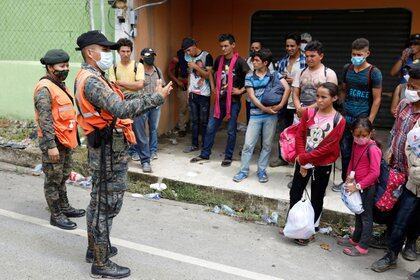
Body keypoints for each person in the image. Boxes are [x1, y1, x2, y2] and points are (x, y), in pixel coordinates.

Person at [74, 30, 172, 278]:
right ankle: (101, 263)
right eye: (104, 50)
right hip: (108, 151)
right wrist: (156, 100)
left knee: (99, 201)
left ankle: (95, 249)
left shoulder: (97, 76)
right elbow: (121, 107)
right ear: (90, 52)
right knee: (107, 204)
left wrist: (152, 95)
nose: (109, 54)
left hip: (107, 148)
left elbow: (120, 95)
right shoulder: (93, 80)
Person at [371, 65, 420, 273]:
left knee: (411, 214)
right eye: (409, 85)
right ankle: (391, 251)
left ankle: (410, 243)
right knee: (394, 210)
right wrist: (389, 151)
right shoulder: (404, 105)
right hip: (397, 168)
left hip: (416, 177)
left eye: (415, 87)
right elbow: (395, 131)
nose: (410, 90)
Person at [34, 49, 85, 230]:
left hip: (64, 140)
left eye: (67, 65)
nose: (66, 69)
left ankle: (64, 207)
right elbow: (44, 119)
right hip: (53, 142)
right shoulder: (45, 89)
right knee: (53, 179)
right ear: (50, 67)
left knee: (63, 176)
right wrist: (51, 146)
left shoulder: (59, 85)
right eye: (62, 66)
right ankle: (56, 214)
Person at [288, 82, 345, 246]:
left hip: (322, 163)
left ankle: (311, 229)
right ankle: (293, 225)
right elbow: (300, 135)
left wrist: (307, 159)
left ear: (334, 98)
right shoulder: (308, 112)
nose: (319, 100)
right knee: (295, 192)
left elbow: (329, 147)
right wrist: (301, 157)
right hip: (303, 160)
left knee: (317, 195)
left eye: (323, 97)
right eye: (317, 96)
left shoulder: (339, 120)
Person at [191, 34, 250, 167]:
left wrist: (241, 90)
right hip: (219, 101)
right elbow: (212, 73)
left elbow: (251, 78)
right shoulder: (219, 60)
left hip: (233, 102)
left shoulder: (240, 62)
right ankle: (205, 154)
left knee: (231, 130)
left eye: (226, 46)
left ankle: (228, 157)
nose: (223, 49)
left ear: (233, 45)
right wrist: (213, 87)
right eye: (221, 46)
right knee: (211, 127)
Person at [332, 38, 382, 192]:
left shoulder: (374, 72)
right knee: (346, 152)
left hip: (362, 121)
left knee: (362, 153)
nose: (356, 57)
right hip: (347, 118)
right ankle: (345, 181)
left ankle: (363, 182)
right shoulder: (347, 69)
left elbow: (377, 98)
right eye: (354, 54)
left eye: (360, 54)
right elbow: (344, 90)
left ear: (367, 53)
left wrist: (369, 122)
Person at [233, 48, 290, 183]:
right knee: (248, 145)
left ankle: (262, 170)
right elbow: (252, 96)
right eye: (253, 60)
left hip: (271, 116)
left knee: (266, 145)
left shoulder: (275, 74)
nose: (254, 62)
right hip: (255, 115)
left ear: (265, 62)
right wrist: (265, 109)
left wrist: (281, 105)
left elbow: (287, 88)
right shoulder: (249, 76)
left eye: (257, 60)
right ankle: (243, 170)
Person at [337, 118, 382, 256]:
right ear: (352, 133)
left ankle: (363, 246)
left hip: (367, 188)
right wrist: (349, 177)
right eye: (357, 135)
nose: (360, 138)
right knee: (358, 213)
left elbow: (375, 173)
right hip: (357, 184)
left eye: (364, 136)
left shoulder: (373, 149)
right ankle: (355, 239)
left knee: (366, 217)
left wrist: (357, 186)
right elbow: (352, 160)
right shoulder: (356, 145)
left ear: (371, 133)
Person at [271, 32, 307, 167]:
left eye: (292, 46)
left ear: (298, 46)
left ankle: (298, 159)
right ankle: (283, 157)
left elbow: (308, 82)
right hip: (284, 100)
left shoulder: (305, 60)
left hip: (299, 101)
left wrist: (294, 81)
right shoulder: (282, 62)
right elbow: (277, 80)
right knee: (283, 130)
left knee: (299, 131)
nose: (289, 48)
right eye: (287, 46)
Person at [108, 38, 145, 161]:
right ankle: (128, 154)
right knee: (122, 130)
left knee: (139, 131)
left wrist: (121, 83)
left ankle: (145, 160)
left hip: (136, 101)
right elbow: (113, 87)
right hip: (120, 101)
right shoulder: (113, 67)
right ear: (118, 52)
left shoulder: (137, 66)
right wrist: (130, 84)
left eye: (128, 51)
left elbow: (140, 85)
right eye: (123, 51)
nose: (126, 54)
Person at [132, 48, 165, 173]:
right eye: (148, 55)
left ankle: (153, 151)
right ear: (141, 57)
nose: (151, 57)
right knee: (139, 130)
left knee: (153, 128)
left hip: (155, 105)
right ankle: (135, 151)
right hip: (142, 105)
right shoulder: (137, 71)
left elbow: (161, 85)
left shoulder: (157, 70)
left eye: (152, 55)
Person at [181, 37, 214, 153]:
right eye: (186, 51)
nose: (188, 53)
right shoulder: (188, 57)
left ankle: (205, 145)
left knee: (204, 121)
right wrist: (188, 93)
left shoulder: (207, 56)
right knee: (194, 121)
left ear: (195, 45)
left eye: (189, 50)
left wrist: (196, 67)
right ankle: (194, 144)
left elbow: (207, 75)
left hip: (204, 94)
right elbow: (190, 76)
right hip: (192, 94)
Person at [292, 40, 338, 118]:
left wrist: (307, 109)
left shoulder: (329, 73)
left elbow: (330, 97)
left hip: (322, 115)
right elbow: (295, 94)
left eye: (312, 56)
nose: (309, 59)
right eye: (307, 56)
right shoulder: (300, 73)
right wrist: (299, 108)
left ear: (321, 56)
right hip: (301, 114)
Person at [245, 40, 274, 123]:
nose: (254, 50)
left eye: (257, 48)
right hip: (250, 98)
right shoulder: (247, 61)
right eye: (252, 48)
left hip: (264, 98)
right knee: (250, 121)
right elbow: (246, 80)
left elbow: (270, 79)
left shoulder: (267, 63)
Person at [168, 48, 189, 137]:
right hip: (182, 86)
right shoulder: (176, 59)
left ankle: (188, 124)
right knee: (183, 108)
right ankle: (182, 128)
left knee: (192, 107)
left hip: (193, 86)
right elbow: (169, 72)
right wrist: (177, 81)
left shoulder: (193, 58)